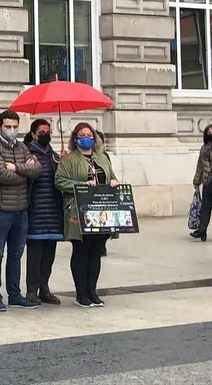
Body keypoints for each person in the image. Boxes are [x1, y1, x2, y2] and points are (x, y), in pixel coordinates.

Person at [54, 123, 118, 308]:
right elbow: (59, 181)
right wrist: (80, 185)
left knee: (96, 251)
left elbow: (111, 175)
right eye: (82, 135)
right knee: (82, 250)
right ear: (75, 138)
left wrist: (113, 181)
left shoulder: (102, 157)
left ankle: (92, 290)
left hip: (101, 209)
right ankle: (81, 293)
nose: (86, 137)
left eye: (89, 134)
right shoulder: (69, 159)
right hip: (79, 209)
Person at [0, 109, 40, 311]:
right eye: (8, 127)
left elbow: (37, 169)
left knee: (16, 254)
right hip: (0, 209)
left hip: (20, 209)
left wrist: (15, 167)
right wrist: (25, 171)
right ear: (0, 127)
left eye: (15, 127)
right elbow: (1, 176)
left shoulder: (22, 146)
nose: (12, 130)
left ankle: (14, 294)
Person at [23, 119, 63, 305]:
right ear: (33, 134)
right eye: (42, 132)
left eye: (48, 131)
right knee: (35, 254)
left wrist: (63, 162)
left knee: (49, 254)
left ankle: (44, 287)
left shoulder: (54, 156)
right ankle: (32, 290)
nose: (45, 135)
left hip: (53, 211)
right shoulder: (27, 153)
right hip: (35, 210)